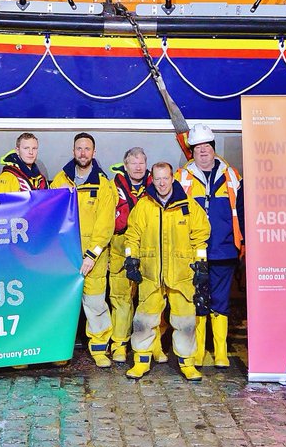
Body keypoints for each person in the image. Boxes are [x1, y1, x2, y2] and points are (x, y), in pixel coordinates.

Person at [122, 161, 211, 381]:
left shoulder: (188, 206)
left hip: (181, 275)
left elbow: (200, 237)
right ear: (153, 179)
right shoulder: (144, 206)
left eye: (166, 178)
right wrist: (131, 259)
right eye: (158, 178)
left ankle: (187, 363)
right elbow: (132, 235)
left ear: (173, 178)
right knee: (144, 320)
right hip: (151, 274)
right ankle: (141, 361)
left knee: (185, 322)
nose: (162, 183)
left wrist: (200, 264)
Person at [177, 124, 244, 369]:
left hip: (225, 248)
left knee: (221, 301)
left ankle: (221, 352)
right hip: (194, 251)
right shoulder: (181, 177)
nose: (203, 151)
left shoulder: (232, 175)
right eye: (198, 148)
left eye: (207, 147)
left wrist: (243, 243)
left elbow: (243, 212)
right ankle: (197, 351)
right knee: (197, 300)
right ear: (191, 151)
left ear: (214, 149)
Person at [51, 133, 117, 367]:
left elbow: (105, 225)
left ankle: (99, 349)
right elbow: (52, 217)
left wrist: (92, 254)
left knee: (95, 303)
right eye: (79, 148)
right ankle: (59, 350)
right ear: (73, 151)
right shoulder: (60, 180)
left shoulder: (103, 184)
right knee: (63, 303)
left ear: (94, 153)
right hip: (64, 255)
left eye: (87, 149)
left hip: (94, 258)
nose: (83, 153)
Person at [110, 147, 151, 364]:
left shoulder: (156, 188)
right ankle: (119, 345)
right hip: (119, 249)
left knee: (150, 300)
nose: (138, 167)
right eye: (133, 163)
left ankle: (151, 345)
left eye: (141, 163)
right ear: (125, 166)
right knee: (121, 300)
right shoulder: (112, 187)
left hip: (148, 250)